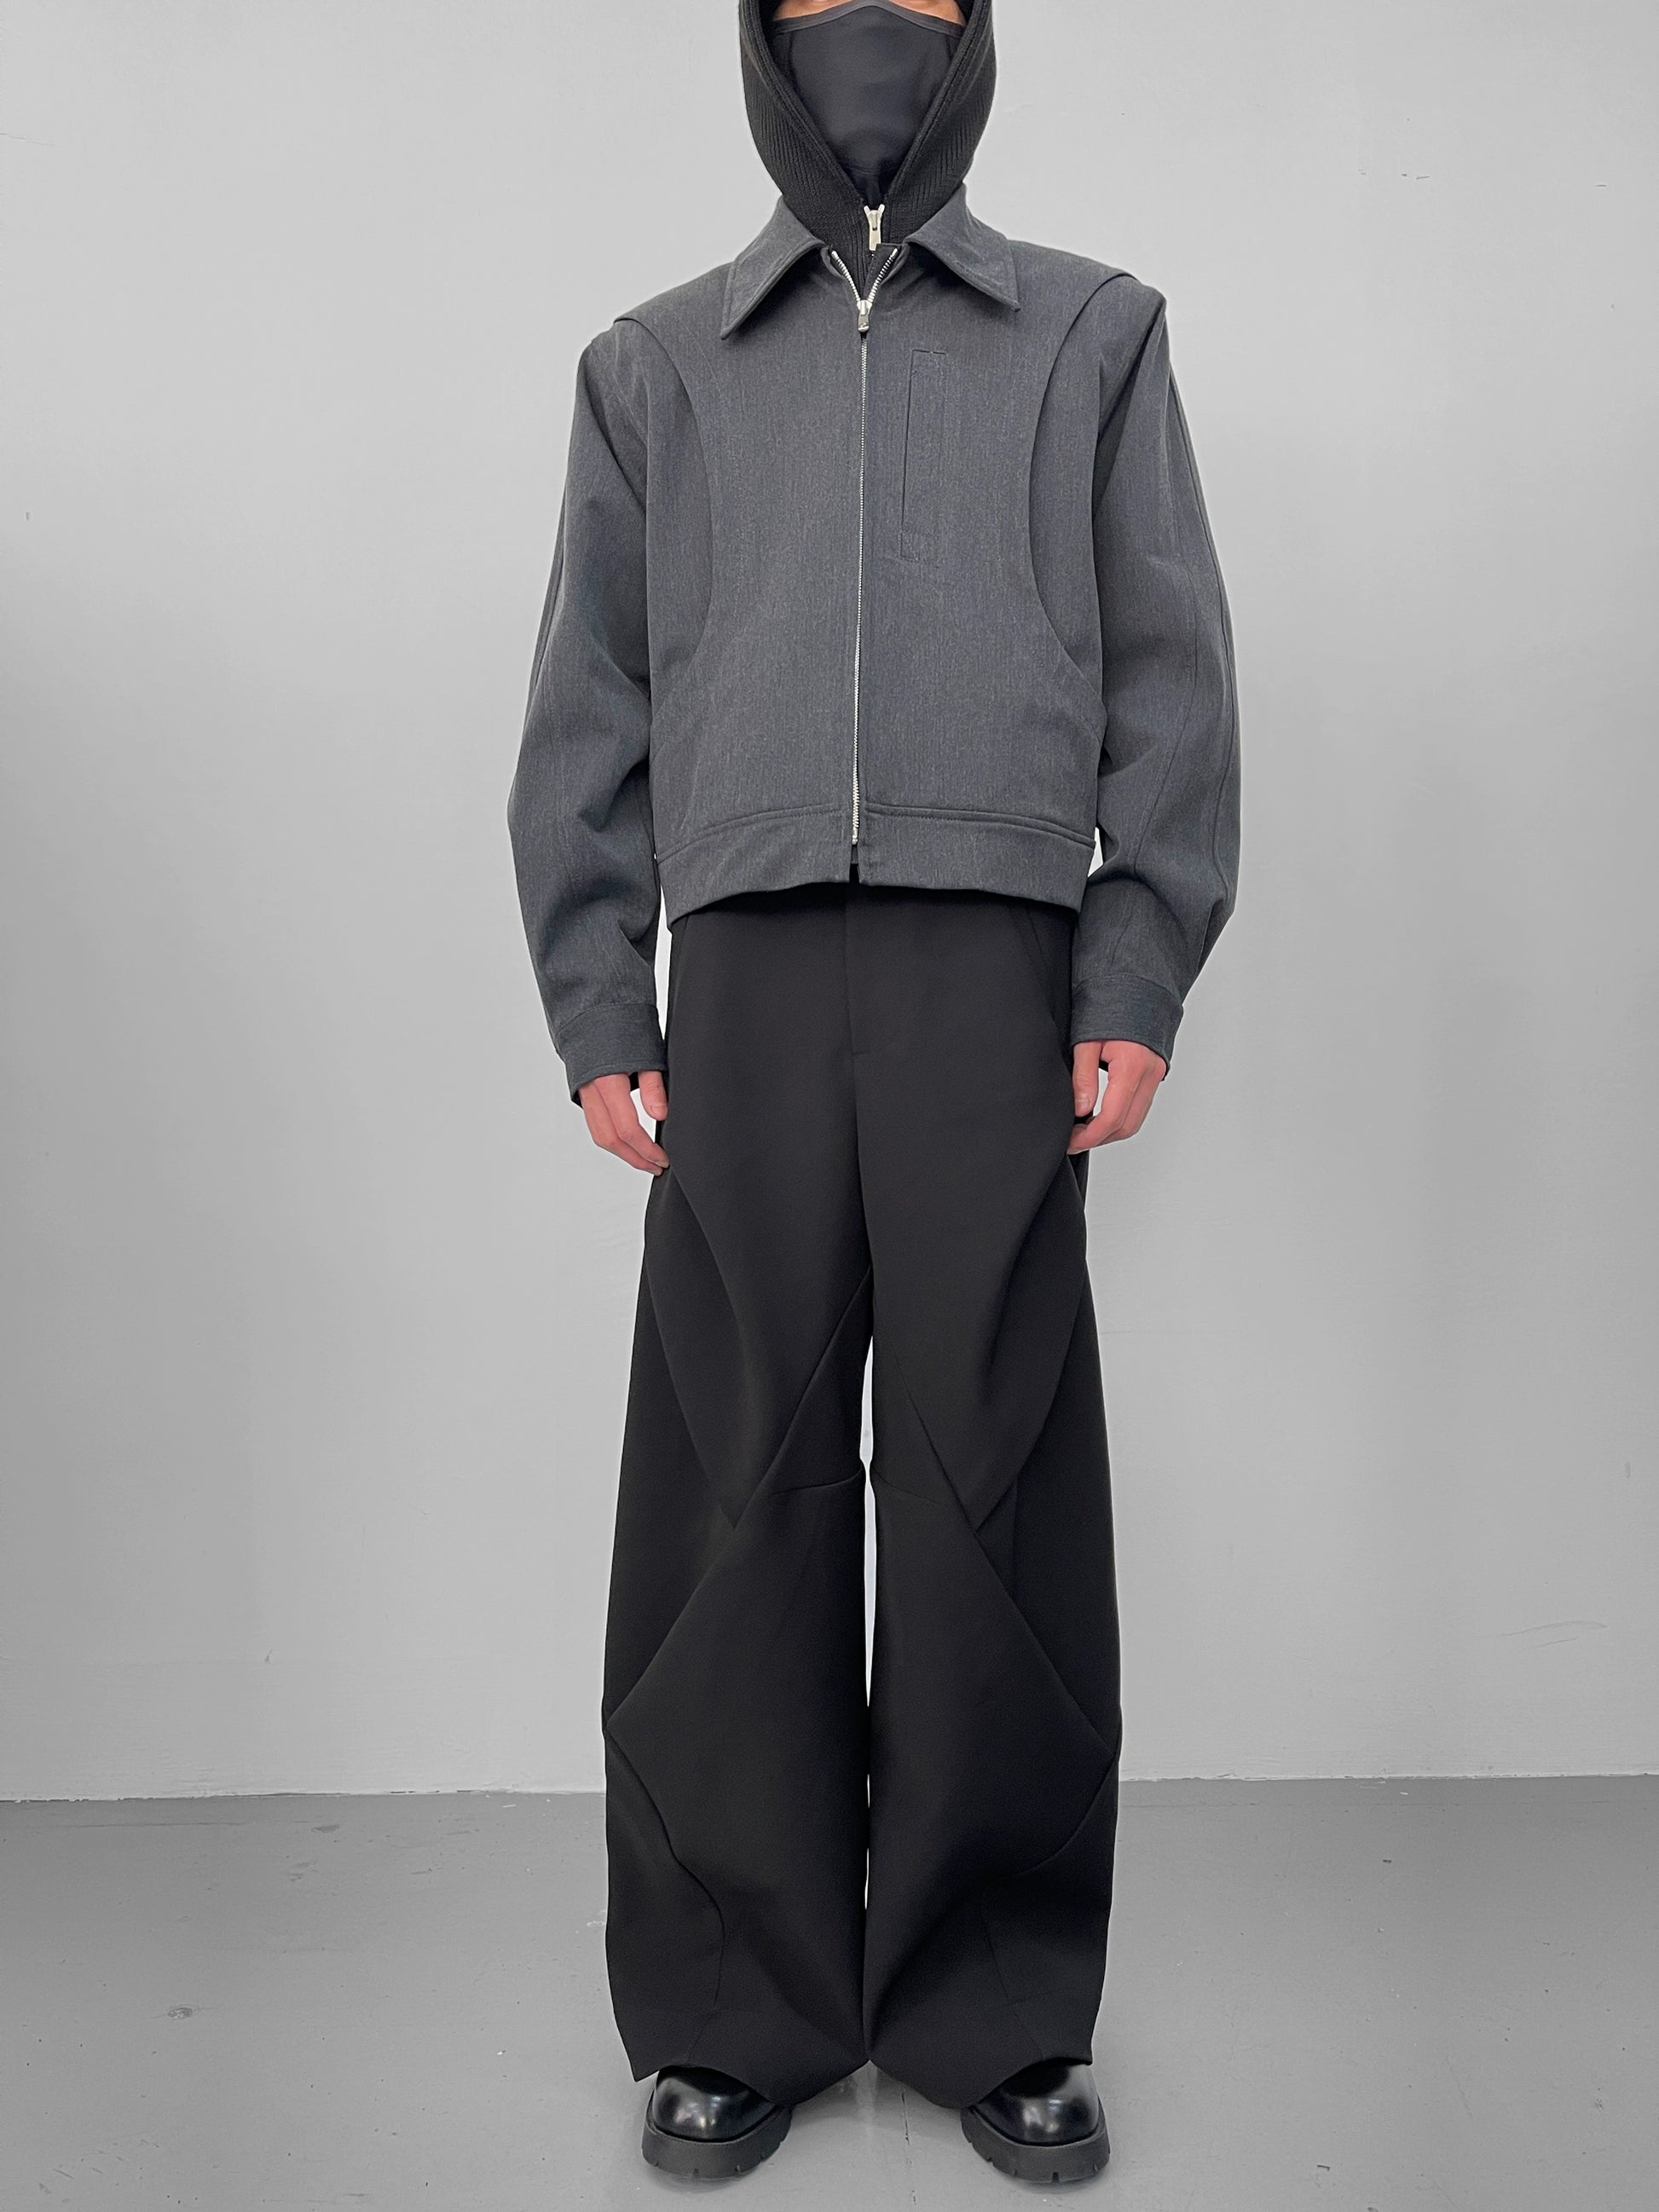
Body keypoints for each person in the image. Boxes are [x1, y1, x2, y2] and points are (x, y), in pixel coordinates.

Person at [508, 0, 1239, 2183]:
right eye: (827, 5)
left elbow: (1171, 670)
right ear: (757, 46)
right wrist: (596, 991)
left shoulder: (1089, 337)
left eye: (916, 4)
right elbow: (586, 698)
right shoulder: (655, 365)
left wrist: (1133, 957)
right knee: (730, 1476)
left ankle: (994, 1992)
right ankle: (733, 1998)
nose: (870, 42)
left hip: (988, 964)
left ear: (977, 40)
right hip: (735, 967)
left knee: (986, 1467)